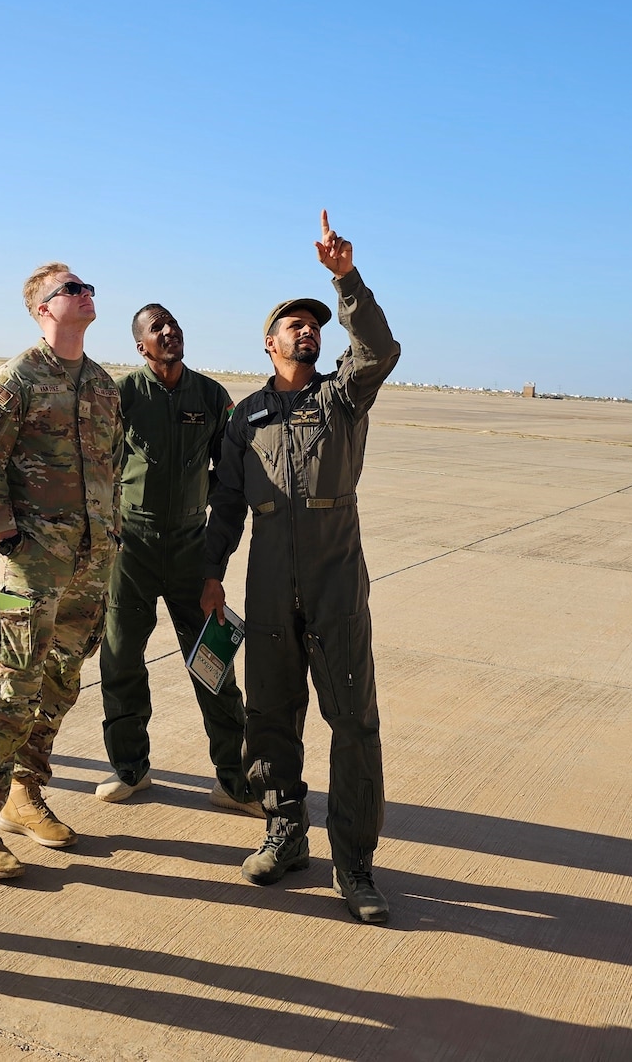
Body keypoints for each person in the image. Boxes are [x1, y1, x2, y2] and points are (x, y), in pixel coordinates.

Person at [203, 212, 400, 926]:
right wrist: (210, 571)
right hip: (265, 575)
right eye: (294, 323)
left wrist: (344, 280)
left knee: (353, 721)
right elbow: (225, 502)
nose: (307, 331)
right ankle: (284, 832)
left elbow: (377, 347)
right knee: (269, 715)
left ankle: (354, 863)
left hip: (335, 577)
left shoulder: (341, 396)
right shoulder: (246, 415)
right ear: (269, 340)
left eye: (315, 324)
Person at [0, 264, 123, 880]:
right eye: (73, 289)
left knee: (60, 680)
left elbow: (110, 469)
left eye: (88, 287)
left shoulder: (101, 383)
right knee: (8, 682)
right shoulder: (14, 380)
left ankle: (25, 791)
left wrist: (109, 536)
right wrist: (5, 536)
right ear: (44, 308)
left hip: (91, 560)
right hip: (34, 561)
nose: (86, 295)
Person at [96, 304, 254, 815]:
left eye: (173, 324)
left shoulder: (209, 396)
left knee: (214, 663)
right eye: (156, 328)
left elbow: (229, 477)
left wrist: (214, 566)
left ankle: (235, 779)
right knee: (121, 660)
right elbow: (96, 466)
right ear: (141, 346)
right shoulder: (120, 395)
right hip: (131, 547)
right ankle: (130, 769)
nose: (169, 331)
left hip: (191, 546)